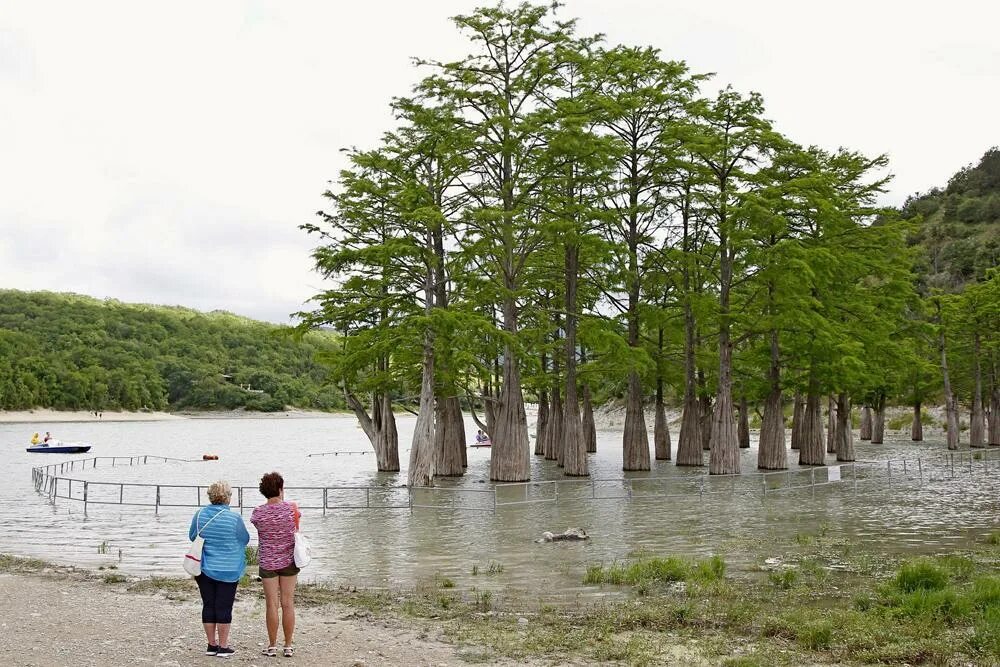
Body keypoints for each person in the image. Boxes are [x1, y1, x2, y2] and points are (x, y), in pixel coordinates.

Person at [188, 480, 250, 658]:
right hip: (228, 569)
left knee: (209, 604)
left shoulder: (199, 515)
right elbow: (244, 539)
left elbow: (192, 536)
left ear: (210, 496)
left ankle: (211, 645)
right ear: (228, 497)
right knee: (224, 605)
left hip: (204, 567)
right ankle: (223, 646)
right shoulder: (234, 518)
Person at [250, 472, 301, 658]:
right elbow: (297, 527)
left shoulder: (257, 513)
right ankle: (288, 645)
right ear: (281, 489)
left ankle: (272, 646)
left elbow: (258, 526)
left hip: (268, 562)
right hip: (289, 560)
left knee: (272, 604)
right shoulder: (292, 509)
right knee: (288, 603)